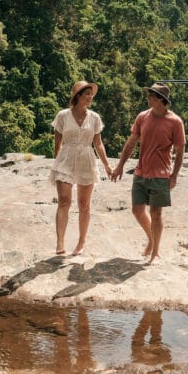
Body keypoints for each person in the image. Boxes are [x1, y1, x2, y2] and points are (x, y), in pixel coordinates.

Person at [110, 83, 185, 265]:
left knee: (156, 213)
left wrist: (174, 175)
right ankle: (151, 239)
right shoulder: (143, 117)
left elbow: (180, 149)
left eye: (151, 95)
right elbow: (131, 141)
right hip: (141, 172)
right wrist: (120, 165)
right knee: (137, 210)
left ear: (160, 99)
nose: (148, 97)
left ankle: (155, 253)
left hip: (160, 174)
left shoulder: (175, 122)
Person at [49, 80, 113, 256]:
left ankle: (80, 242)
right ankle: (60, 242)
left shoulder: (94, 118)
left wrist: (107, 165)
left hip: (87, 160)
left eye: (91, 94)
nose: (90, 97)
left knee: (84, 205)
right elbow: (57, 142)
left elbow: (98, 144)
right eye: (86, 94)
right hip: (66, 159)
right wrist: (58, 162)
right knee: (64, 201)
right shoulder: (63, 115)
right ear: (77, 96)